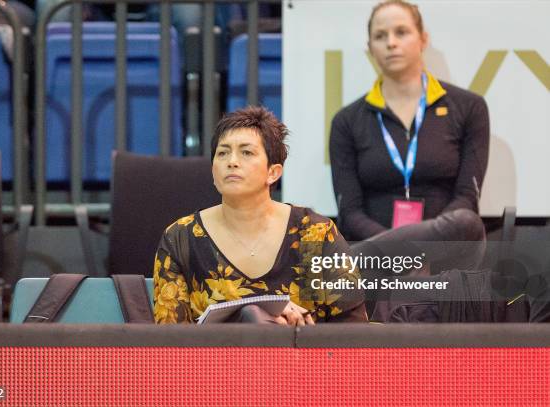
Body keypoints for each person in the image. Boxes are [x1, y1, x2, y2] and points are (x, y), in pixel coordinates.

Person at [154, 106, 367, 325]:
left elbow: (354, 332)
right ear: (213, 171)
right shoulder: (180, 238)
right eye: (223, 153)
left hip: (305, 358)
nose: (232, 161)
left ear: (273, 172)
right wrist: (256, 314)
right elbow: (168, 341)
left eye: (246, 152)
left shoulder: (316, 233)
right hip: (216, 359)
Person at [329, 0, 489, 274]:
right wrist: (402, 257)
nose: (391, 42)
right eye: (380, 36)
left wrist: (422, 251)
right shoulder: (347, 120)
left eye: (401, 32)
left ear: (423, 39)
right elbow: (350, 213)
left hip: (446, 255)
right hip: (376, 259)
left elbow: (467, 197)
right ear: (370, 49)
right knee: (339, 248)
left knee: (467, 221)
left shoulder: (469, 107)